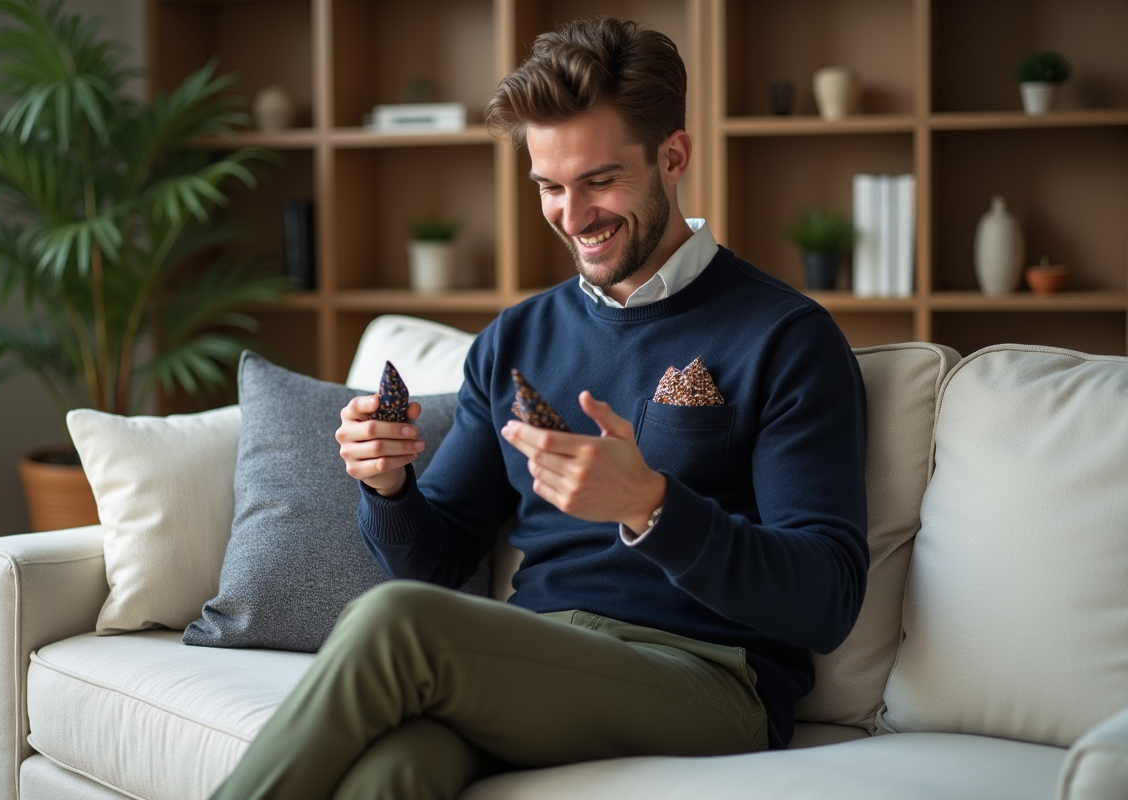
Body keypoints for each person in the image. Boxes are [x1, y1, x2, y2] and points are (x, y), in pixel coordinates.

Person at [213, 16, 867, 800]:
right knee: (395, 772)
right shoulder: (514, 339)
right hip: (536, 659)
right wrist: (387, 487)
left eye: (598, 180)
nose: (573, 215)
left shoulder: (785, 336)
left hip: (712, 680)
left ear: (673, 157)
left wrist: (653, 506)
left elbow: (827, 599)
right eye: (550, 187)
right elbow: (438, 555)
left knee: (397, 623)